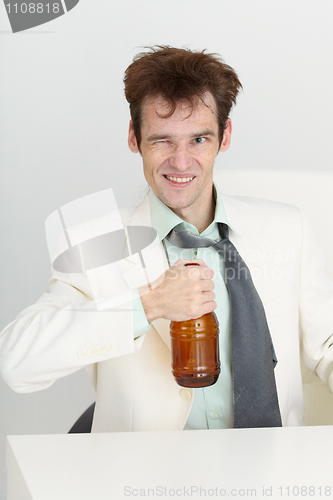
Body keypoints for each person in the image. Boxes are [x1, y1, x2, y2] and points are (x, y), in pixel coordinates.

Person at [1, 46, 333, 431]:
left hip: (274, 478)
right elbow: (15, 362)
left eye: (198, 140)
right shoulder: (95, 244)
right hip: (148, 482)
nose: (180, 161)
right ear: (134, 137)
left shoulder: (289, 229)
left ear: (224, 137)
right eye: (162, 140)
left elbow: (327, 344)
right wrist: (147, 305)